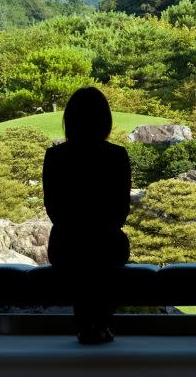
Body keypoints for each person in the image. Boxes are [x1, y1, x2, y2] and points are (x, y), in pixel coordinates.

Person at [43, 87, 131, 344]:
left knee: (81, 252)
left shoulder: (56, 156)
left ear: (69, 120)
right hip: (107, 244)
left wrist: (78, 229)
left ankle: (86, 324)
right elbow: (120, 211)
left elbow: (54, 210)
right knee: (104, 251)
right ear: (105, 120)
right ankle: (101, 323)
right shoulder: (116, 155)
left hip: (65, 245)